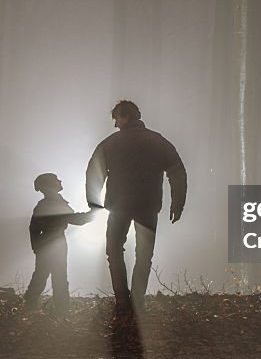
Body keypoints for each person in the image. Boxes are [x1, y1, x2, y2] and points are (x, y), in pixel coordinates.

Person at [86, 100, 186, 315]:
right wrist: (178, 203)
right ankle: (137, 299)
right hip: (148, 206)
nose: (115, 124)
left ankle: (122, 300)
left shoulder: (111, 143)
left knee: (114, 250)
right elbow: (177, 171)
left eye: (116, 119)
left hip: (118, 206)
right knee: (144, 254)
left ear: (125, 117)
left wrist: (93, 203)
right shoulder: (158, 141)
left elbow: (94, 172)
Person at [25, 173, 94, 313]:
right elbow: (76, 220)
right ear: (50, 185)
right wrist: (94, 214)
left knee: (44, 275)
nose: (60, 180)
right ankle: (60, 310)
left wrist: (37, 247)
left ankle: (31, 304)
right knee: (55, 277)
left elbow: (33, 229)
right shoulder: (53, 204)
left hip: (50, 243)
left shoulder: (48, 204)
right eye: (56, 180)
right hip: (55, 243)